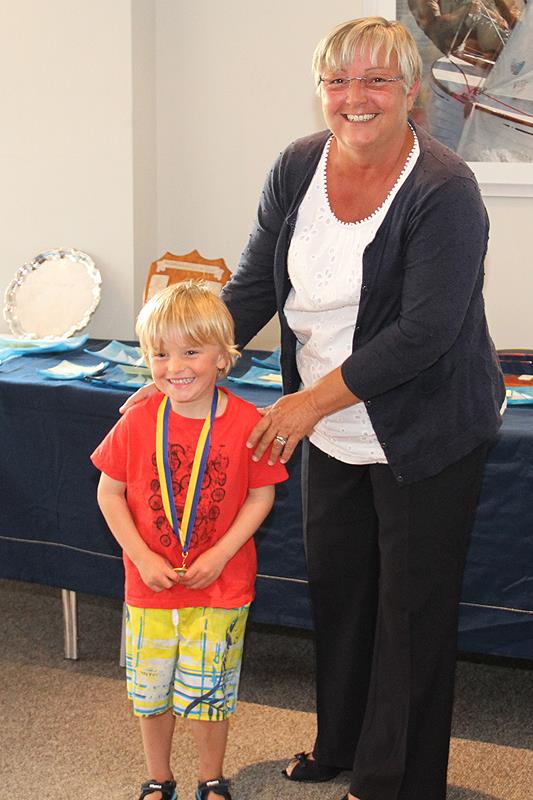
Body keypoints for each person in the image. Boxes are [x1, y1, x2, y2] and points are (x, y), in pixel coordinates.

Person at [121, 16, 505, 800]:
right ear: (320, 91)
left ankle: (395, 779)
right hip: (327, 424)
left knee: (408, 610)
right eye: (337, 81)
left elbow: (423, 334)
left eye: (374, 81)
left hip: (424, 428)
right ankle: (339, 744)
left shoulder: (442, 189)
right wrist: (182, 365)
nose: (354, 97)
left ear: (410, 94)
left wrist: (302, 405)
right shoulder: (298, 164)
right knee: (343, 590)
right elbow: (257, 285)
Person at [92, 281, 287, 800]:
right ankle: (159, 777)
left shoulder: (249, 424)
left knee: (211, 693)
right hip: (149, 584)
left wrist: (222, 555)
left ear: (225, 357)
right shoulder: (136, 421)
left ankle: (211, 778)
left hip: (222, 587)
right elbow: (109, 493)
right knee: (150, 694)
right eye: (160, 353)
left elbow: (260, 498)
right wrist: (141, 554)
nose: (174, 366)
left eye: (191, 351)